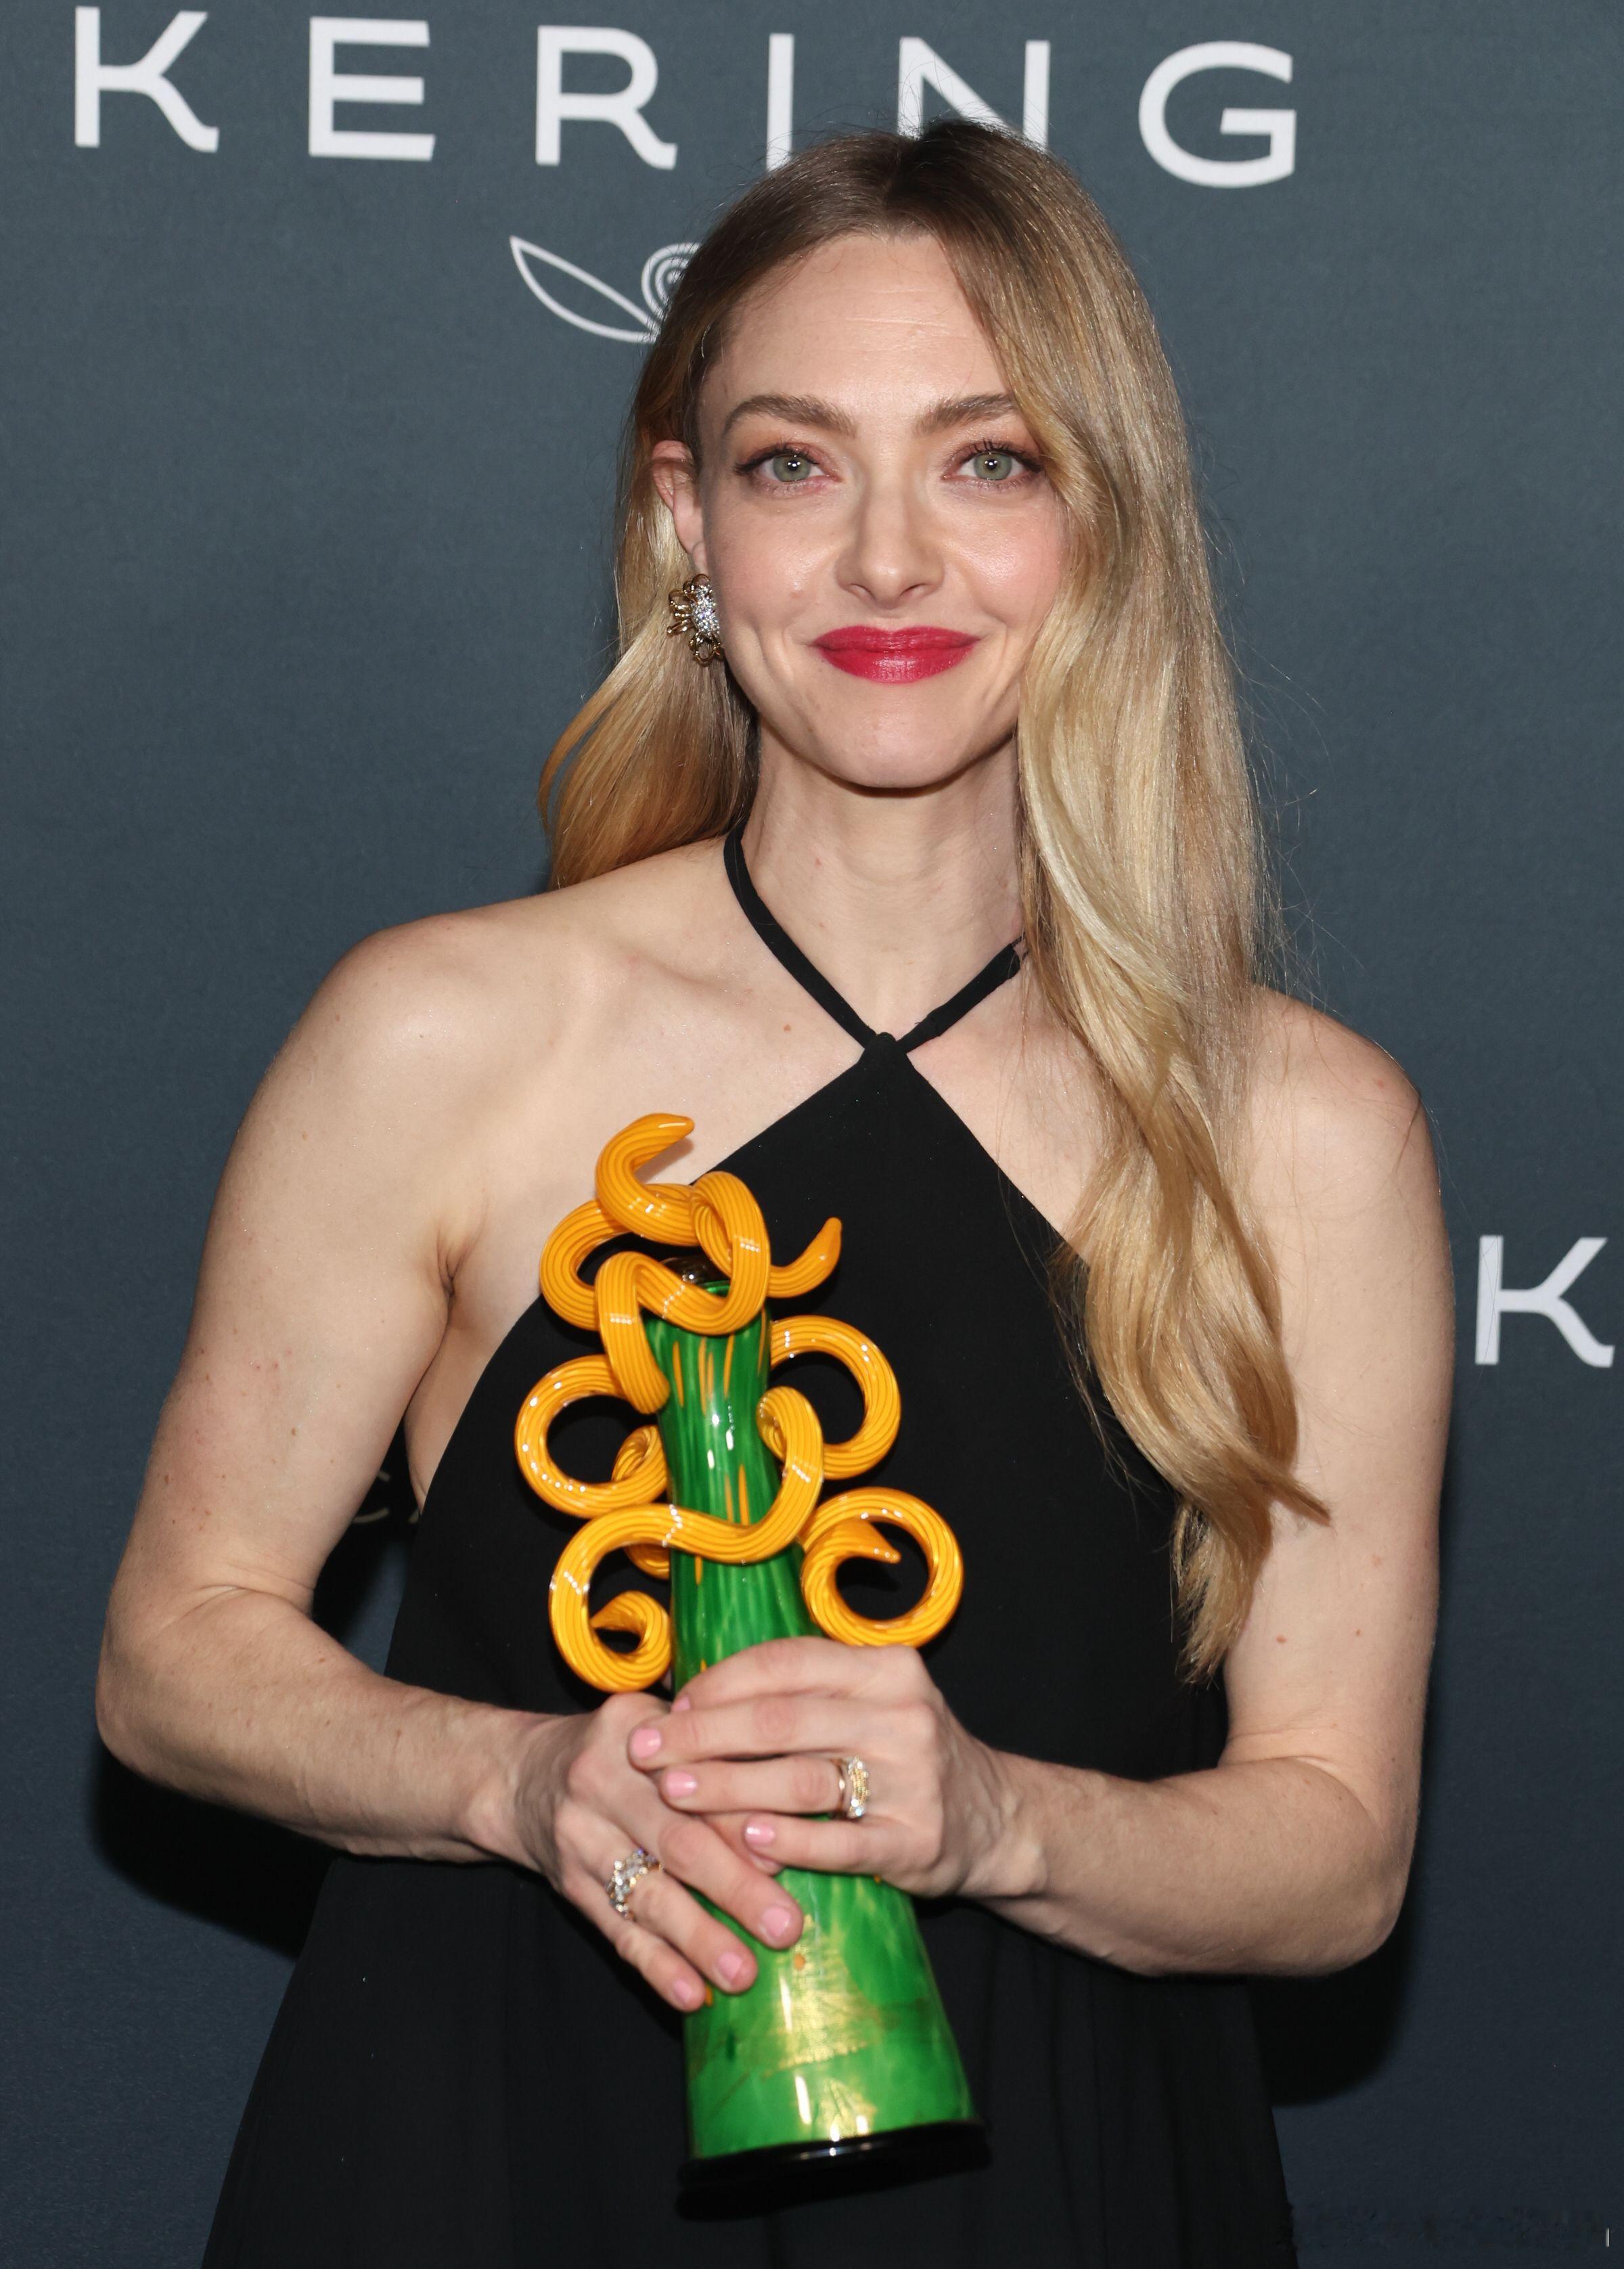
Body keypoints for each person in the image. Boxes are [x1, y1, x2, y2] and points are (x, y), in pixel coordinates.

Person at [96, 122, 1453, 2267]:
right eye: (797, 464)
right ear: (688, 523)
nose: (890, 562)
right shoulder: (444, 1037)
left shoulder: (1303, 1131)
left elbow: (1338, 1854)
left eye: (989, 462)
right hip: (494, 2151)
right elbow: (177, 1657)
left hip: (1066, 2184)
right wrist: (515, 1784)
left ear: (1102, 522)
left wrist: (997, 1824)